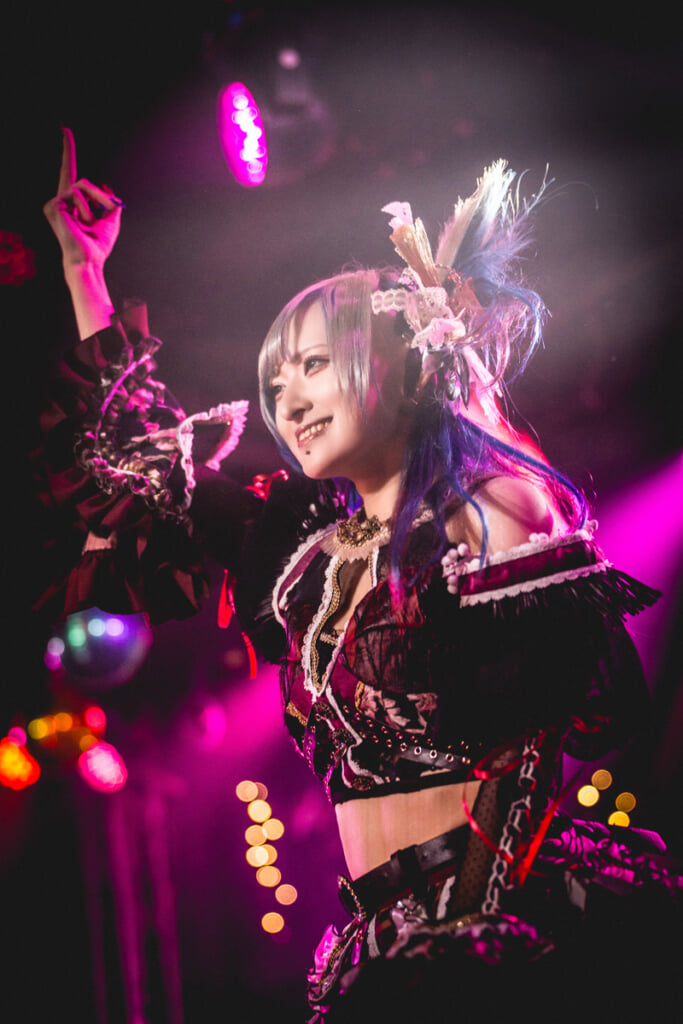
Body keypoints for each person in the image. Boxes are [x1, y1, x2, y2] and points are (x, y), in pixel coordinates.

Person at [39, 129, 681, 1021]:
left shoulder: (489, 510)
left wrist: (466, 935)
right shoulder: (303, 553)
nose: (287, 401)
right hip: (380, 938)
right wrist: (84, 271)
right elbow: (137, 471)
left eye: (311, 365)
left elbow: (523, 755)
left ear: (403, 364)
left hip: (497, 926)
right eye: (275, 382)